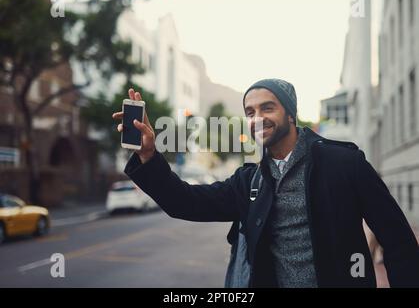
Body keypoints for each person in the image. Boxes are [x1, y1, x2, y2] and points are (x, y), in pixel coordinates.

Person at [112, 79, 419, 288]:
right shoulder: (248, 181)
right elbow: (185, 202)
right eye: (250, 111)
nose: (257, 117)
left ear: (290, 114)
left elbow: (398, 241)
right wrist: (149, 155)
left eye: (267, 108)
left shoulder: (344, 164)